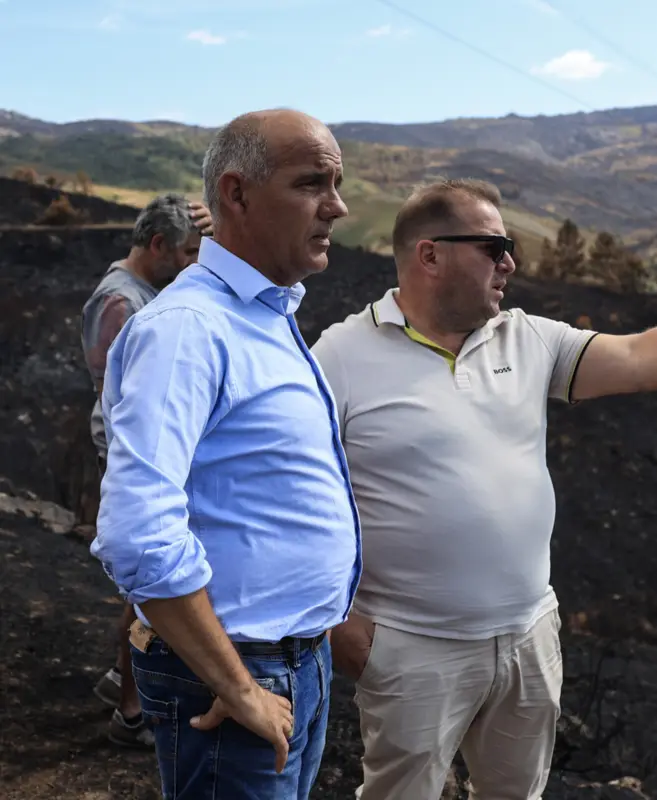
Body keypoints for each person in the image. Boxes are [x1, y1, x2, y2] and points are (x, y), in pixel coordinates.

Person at [309, 177, 657, 800]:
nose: (511, 262)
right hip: (411, 647)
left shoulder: (527, 339)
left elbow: (641, 357)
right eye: (494, 246)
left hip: (528, 635)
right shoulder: (339, 356)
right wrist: (336, 624)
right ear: (430, 254)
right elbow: (294, 496)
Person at [90, 107, 361, 798]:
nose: (339, 205)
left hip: (297, 661)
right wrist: (234, 683)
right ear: (236, 194)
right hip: (237, 674)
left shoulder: (264, 315)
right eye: (313, 183)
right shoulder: (188, 330)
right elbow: (137, 536)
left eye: (337, 183)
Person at [82, 192, 212, 748]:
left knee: (145, 588)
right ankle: (132, 710)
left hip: (139, 452)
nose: (191, 264)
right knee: (150, 588)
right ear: (156, 244)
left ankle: (121, 681)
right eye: (186, 252)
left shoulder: (147, 291)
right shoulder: (121, 303)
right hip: (134, 457)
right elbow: (132, 401)